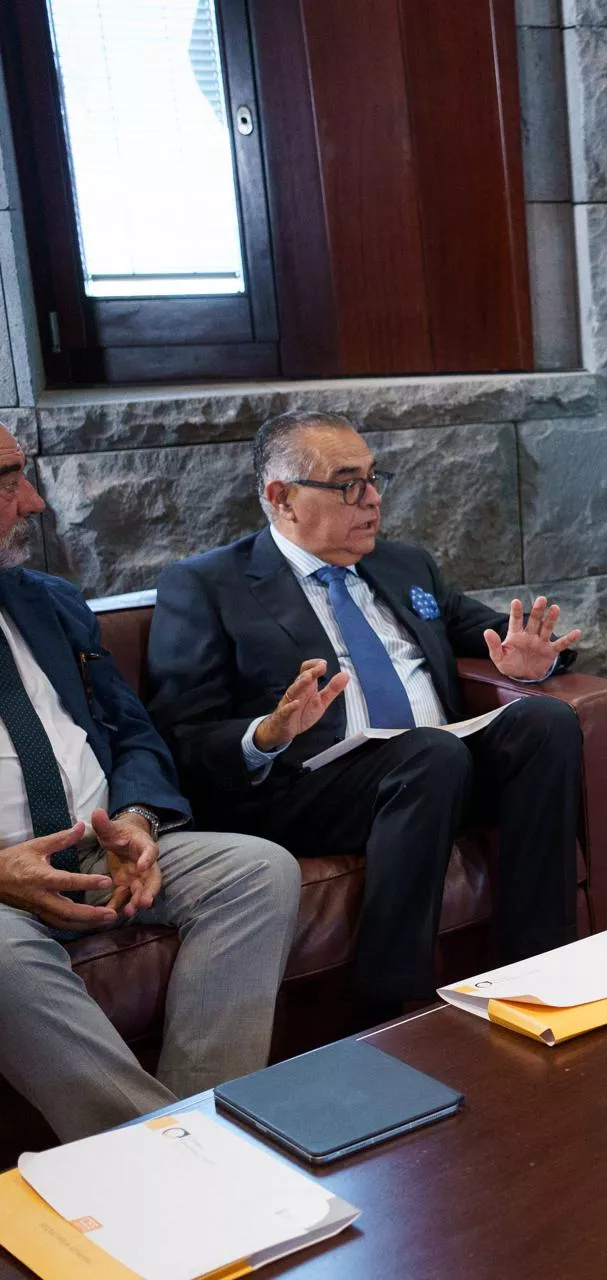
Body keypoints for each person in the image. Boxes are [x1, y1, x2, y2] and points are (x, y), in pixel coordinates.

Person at [147, 411, 583, 1017]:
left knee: (545, 722)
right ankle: (394, 1007)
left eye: (375, 479)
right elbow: (182, 734)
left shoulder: (403, 565)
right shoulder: (206, 585)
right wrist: (265, 734)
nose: (373, 500)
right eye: (348, 485)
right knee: (430, 753)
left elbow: (491, 632)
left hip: (436, 767)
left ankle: (544, 968)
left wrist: (535, 659)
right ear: (282, 498)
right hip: (309, 788)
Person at [0, 425, 300, 1141]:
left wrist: (136, 817)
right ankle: (159, 1154)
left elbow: (131, 730)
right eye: (8, 482)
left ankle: (209, 1121)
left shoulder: (47, 602)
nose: (35, 502)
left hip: (98, 844)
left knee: (257, 871)